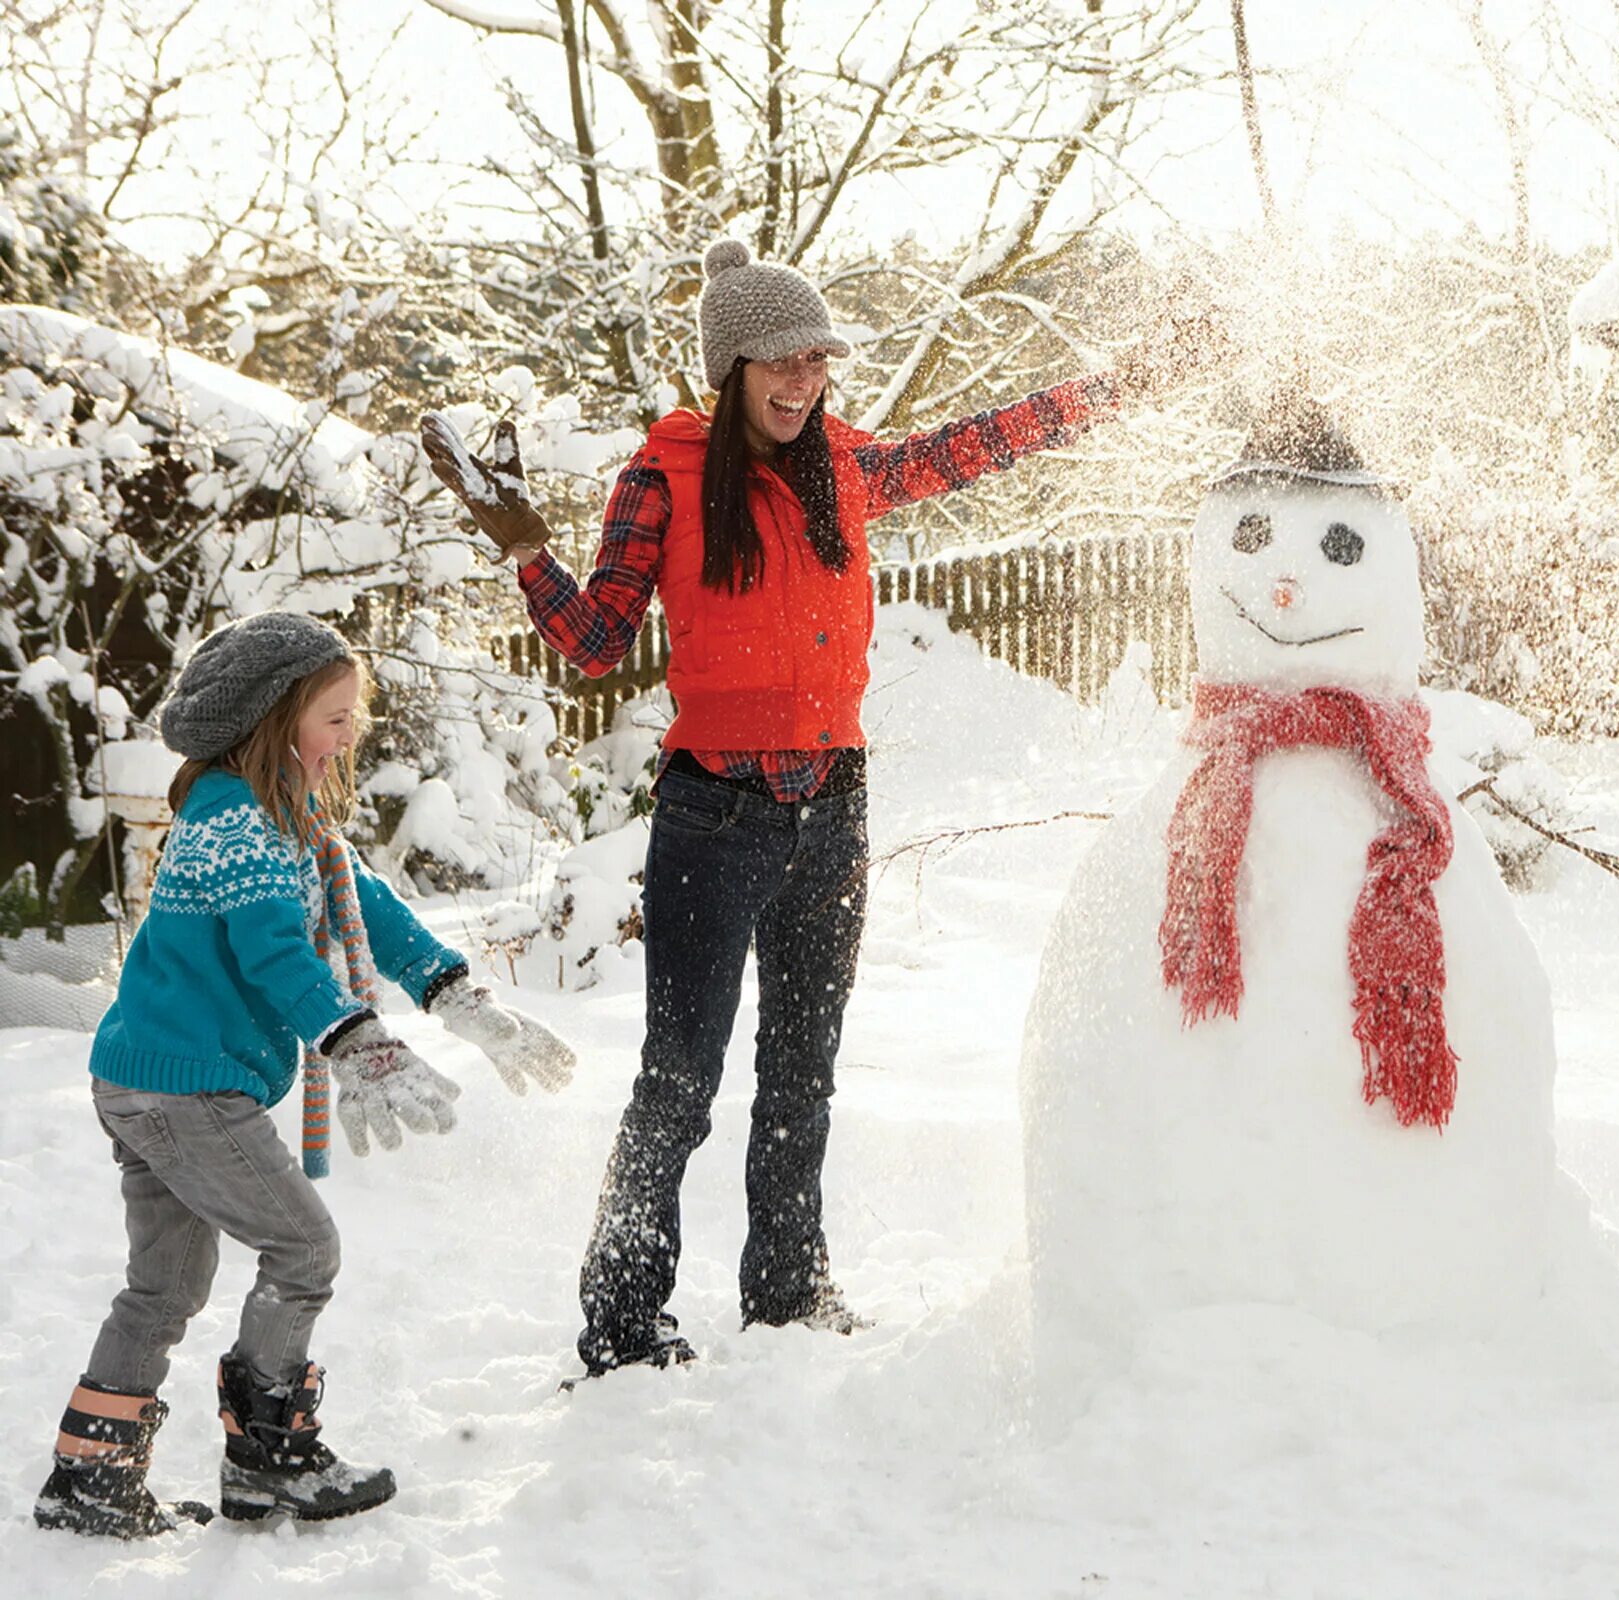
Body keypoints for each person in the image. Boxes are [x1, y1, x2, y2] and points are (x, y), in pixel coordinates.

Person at [421, 239, 1219, 1380]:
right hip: (714, 816)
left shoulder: (845, 467)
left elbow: (981, 444)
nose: (802, 381)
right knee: (680, 1076)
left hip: (831, 808)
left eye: (816, 360)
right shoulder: (665, 478)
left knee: (803, 1070)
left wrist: (1135, 378)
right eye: (777, 362)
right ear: (730, 366)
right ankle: (623, 1316)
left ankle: (789, 1290)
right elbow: (596, 640)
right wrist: (526, 548)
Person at [34, 613, 575, 1539]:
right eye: (335, 716)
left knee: (164, 1286)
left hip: (150, 1079)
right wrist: (351, 1038)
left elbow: (368, 907)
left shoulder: (286, 817)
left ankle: (90, 1477)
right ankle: (268, 1460)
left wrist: (457, 999)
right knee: (305, 1250)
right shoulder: (230, 821)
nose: (349, 734)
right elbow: (275, 955)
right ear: (274, 718)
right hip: (185, 1088)